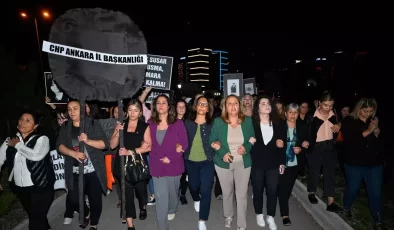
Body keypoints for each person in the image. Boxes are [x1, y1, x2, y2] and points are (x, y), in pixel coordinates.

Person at [57, 100, 109, 229]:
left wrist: (88, 140)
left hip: (93, 170)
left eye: (75, 108)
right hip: (74, 170)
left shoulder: (92, 123)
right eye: (69, 109)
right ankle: (85, 213)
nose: (72, 111)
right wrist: (72, 153)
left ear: (82, 109)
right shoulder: (65, 126)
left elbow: (104, 144)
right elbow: (59, 145)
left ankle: (94, 223)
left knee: (95, 199)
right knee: (74, 199)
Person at [0, 111, 55, 230]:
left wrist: (18, 145)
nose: (23, 122)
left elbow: (36, 156)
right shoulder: (10, 140)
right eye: (21, 119)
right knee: (35, 215)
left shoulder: (42, 139)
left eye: (28, 120)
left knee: (35, 221)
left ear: (35, 126)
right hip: (20, 188)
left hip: (41, 186)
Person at [209, 95, 255, 230]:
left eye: (235, 103)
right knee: (227, 192)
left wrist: (246, 147)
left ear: (239, 105)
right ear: (225, 106)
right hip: (223, 164)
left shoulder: (247, 121)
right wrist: (222, 153)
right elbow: (213, 140)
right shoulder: (218, 122)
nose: (233, 106)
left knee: (241, 195)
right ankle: (228, 215)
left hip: (243, 163)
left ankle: (241, 224)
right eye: (230, 103)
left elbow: (252, 138)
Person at [148, 95, 188, 230]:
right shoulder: (150, 123)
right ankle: (163, 226)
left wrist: (171, 157)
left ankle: (173, 208)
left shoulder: (177, 123)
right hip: (156, 164)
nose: (160, 105)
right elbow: (146, 142)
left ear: (168, 106)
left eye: (163, 103)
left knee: (172, 193)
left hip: (174, 164)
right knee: (160, 198)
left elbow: (184, 143)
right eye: (158, 103)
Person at [184, 96, 214, 230]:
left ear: (208, 108)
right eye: (200, 104)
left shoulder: (213, 124)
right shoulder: (187, 123)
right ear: (195, 106)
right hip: (190, 161)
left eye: (205, 104)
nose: (202, 106)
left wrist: (218, 143)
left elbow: (219, 137)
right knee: (194, 186)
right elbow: (180, 138)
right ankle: (196, 198)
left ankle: (202, 220)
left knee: (206, 190)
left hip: (207, 161)